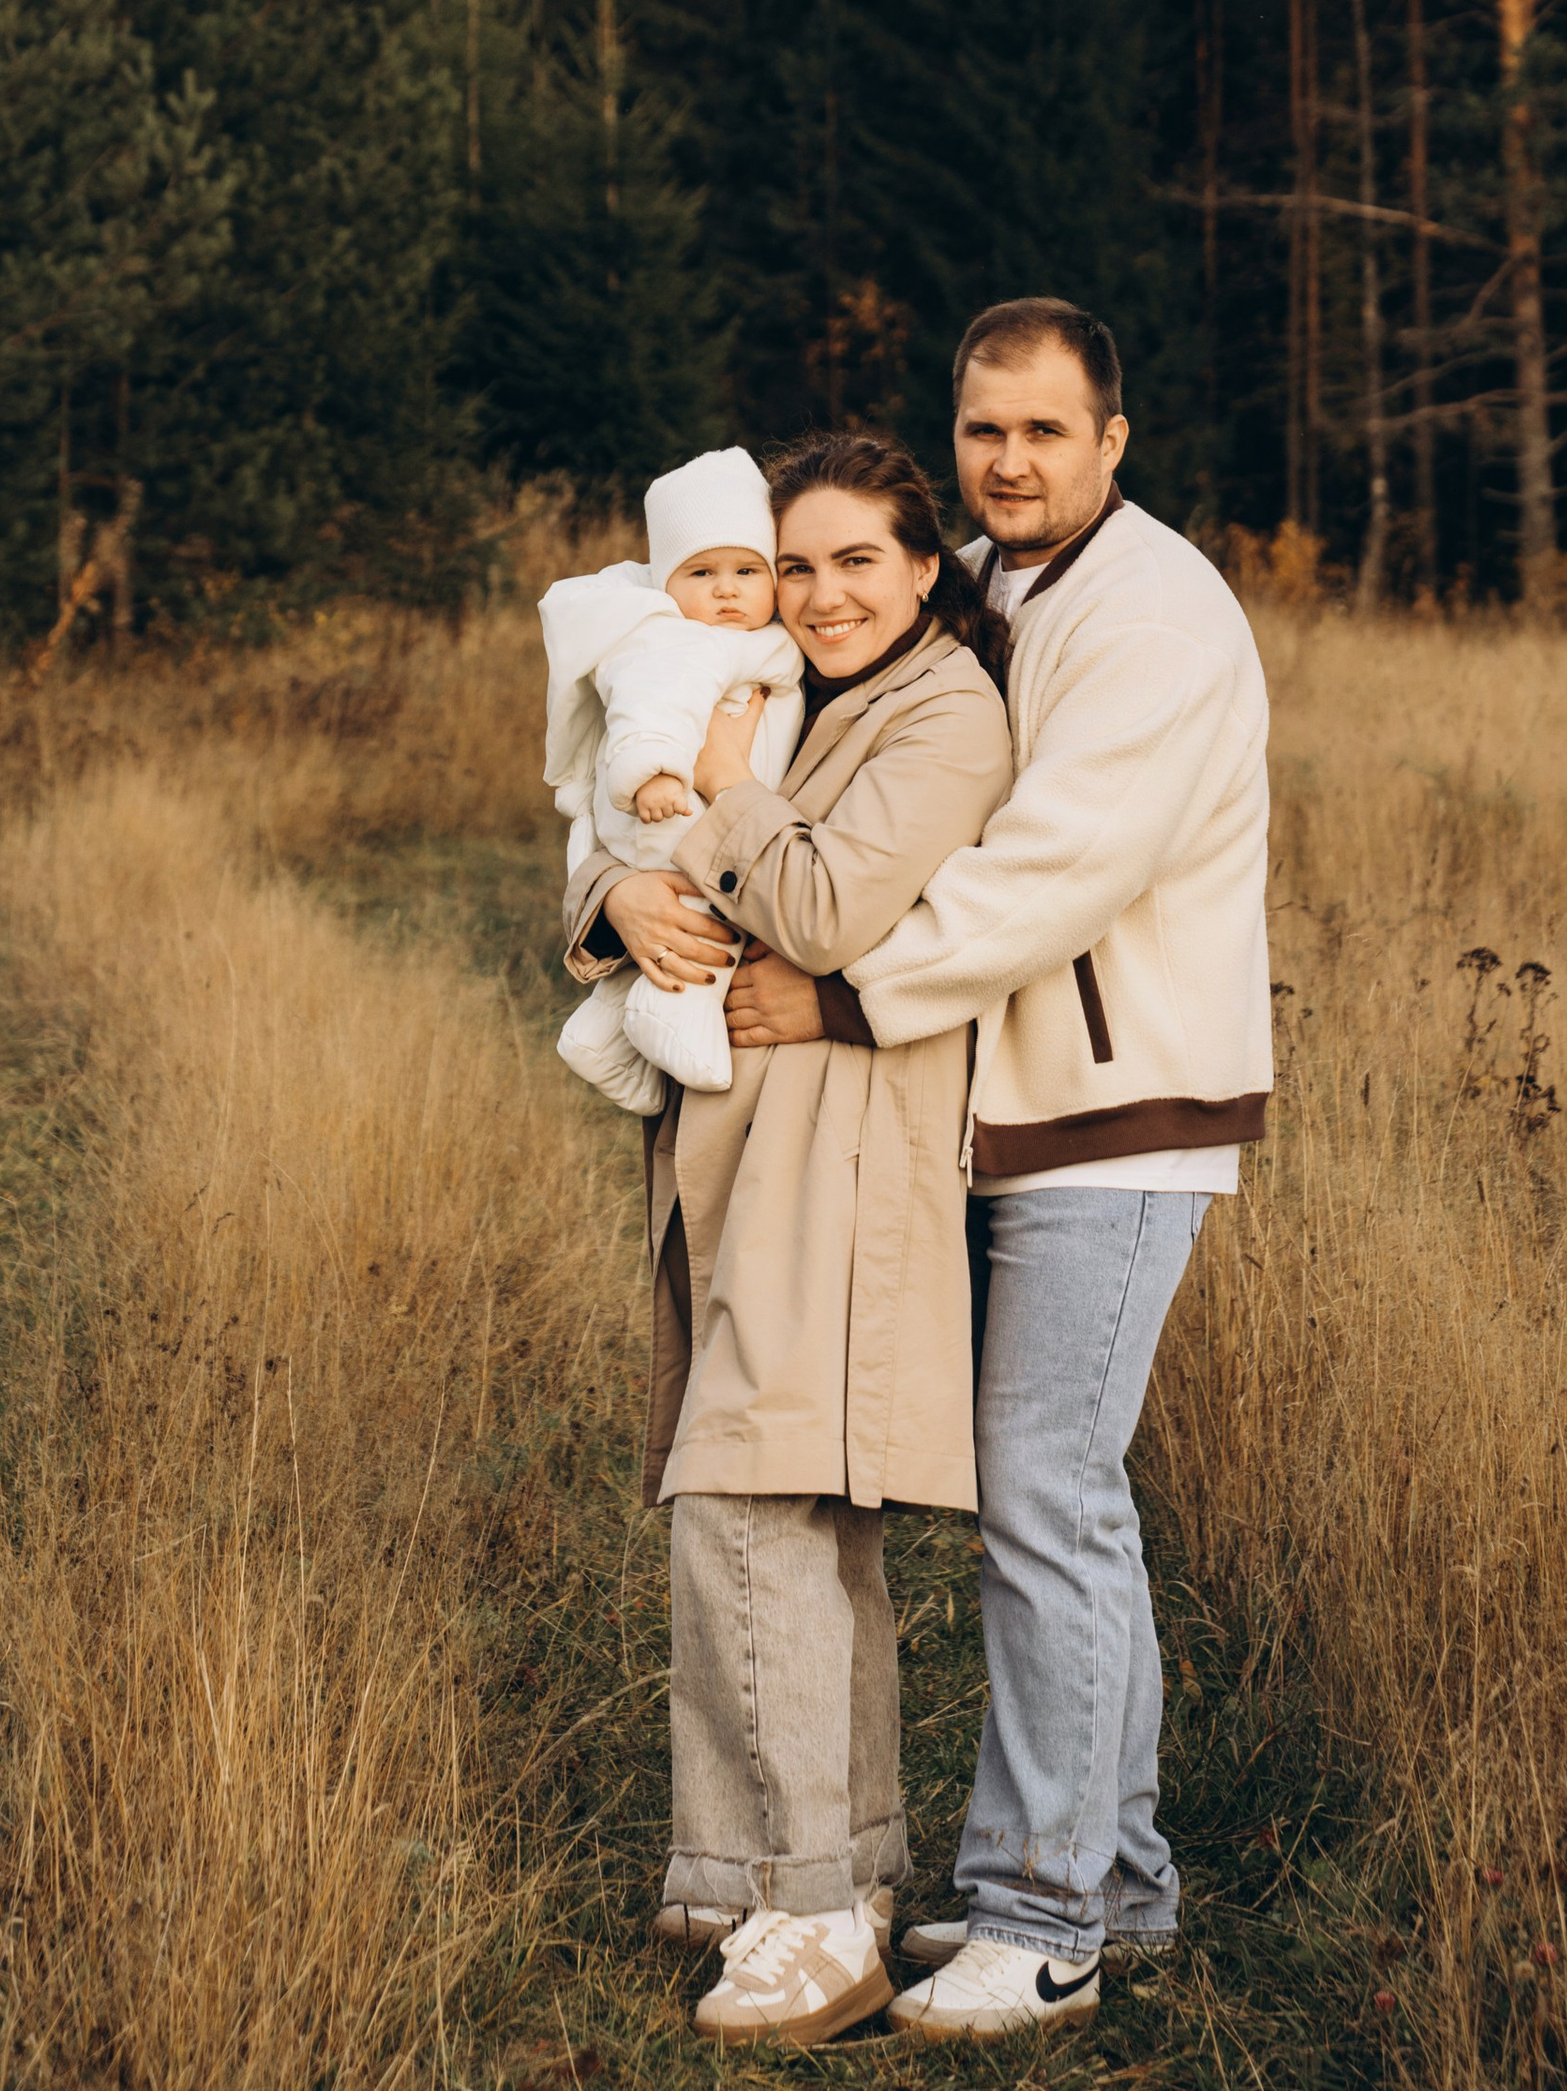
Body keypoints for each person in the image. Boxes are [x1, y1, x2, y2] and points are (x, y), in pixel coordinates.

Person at [822, 295, 1271, 2040]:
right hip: (1026, 1109)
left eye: (1044, 432)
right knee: (1066, 1498)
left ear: (1114, 438)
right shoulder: (1003, 586)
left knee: (1041, 1496)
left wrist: (843, 988)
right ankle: (1120, 1881)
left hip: (1123, 1113)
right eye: (983, 432)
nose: (1008, 463)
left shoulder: (1151, 611)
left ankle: (1045, 1912)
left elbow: (1056, 871)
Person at [567, 432, 1013, 2047]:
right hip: (752, 1159)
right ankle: (828, 1866)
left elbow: (821, 908)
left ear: (922, 568)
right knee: (800, 1530)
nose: (822, 593)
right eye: (798, 562)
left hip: (846, 1167)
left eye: (858, 562)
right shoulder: (800, 685)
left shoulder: (945, 712)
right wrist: (617, 900)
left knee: (752, 1510)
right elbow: (632, 818)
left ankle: (810, 1914)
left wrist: (730, 798)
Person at [542, 446, 806, 1111]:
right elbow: (650, 704)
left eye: (748, 570)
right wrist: (653, 772)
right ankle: (679, 1015)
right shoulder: (676, 642)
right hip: (671, 813)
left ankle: (599, 1033)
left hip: (688, 816)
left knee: (663, 936)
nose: (726, 589)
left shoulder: (736, 639)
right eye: (703, 572)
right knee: (707, 920)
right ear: (665, 583)